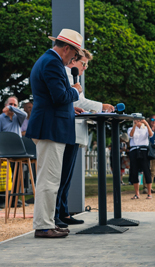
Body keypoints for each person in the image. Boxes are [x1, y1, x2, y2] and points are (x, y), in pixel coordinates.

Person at [25, 28, 85, 238]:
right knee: (49, 181)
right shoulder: (52, 63)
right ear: (67, 48)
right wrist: (76, 90)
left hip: (49, 125)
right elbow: (60, 96)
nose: (74, 59)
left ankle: (48, 222)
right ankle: (43, 225)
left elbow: (53, 98)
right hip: (50, 128)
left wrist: (70, 107)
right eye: (75, 55)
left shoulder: (47, 60)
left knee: (50, 180)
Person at [54, 48, 114, 228]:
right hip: (67, 130)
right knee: (62, 175)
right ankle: (57, 213)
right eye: (83, 63)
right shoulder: (66, 73)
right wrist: (100, 106)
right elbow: (77, 101)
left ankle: (63, 212)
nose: (85, 67)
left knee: (67, 176)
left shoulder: (75, 77)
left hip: (74, 130)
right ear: (73, 61)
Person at [0, 96, 27, 208]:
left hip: (18, 150)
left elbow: (24, 114)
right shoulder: (1, 118)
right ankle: (3, 200)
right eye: (11, 104)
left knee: (18, 176)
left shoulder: (18, 117)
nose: (13, 107)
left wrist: (11, 107)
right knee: (5, 177)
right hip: (5, 151)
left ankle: (15, 200)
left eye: (15, 105)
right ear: (5, 105)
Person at [128, 115, 154, 199]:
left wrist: (146, 123)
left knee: (146, 170)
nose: (138, 121)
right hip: (134, 150)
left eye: (139, 120)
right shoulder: (130, 129)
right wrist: (135, 125)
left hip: (144, 150)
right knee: (134, 171)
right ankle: (137, 193)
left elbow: (150, 135)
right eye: (136, 120)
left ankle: (149, 193)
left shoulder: (145, 129)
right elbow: (131, 135)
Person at [143, 114, 155, 194]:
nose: (154, 122)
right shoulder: (145, 129)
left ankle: (149, 187)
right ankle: (145, 187)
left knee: (153, 170)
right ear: (149, 120)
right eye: (152, 120)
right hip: (147, 151)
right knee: (146, 169)